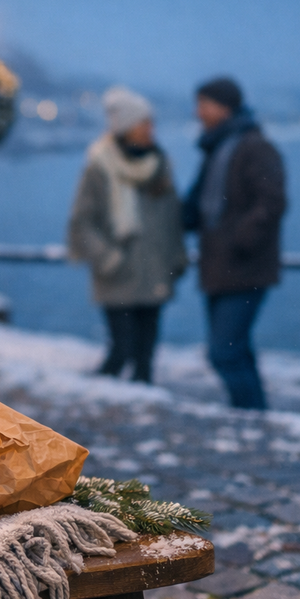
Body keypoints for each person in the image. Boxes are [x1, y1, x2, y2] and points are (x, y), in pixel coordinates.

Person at [68, 86, 187, 384]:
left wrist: (177, 258)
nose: (150, 129)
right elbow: (82, 221)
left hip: (155, 269)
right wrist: (107, 257)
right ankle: (99, 401)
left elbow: (173, 217)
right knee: (121, 350)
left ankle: (139, 404)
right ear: (126, 127)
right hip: (118, 273)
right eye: (143, 123)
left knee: (146, 357)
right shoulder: (100, 166)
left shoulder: (160, 164)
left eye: (151, 123)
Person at [182, 77, 287, 410]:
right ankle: (253, 414)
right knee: (236, 350)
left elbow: (273, 201)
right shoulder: (217, 147)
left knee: (223, 353)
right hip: (220, 268)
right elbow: (197, 206)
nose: (198, 112)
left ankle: (250, 412)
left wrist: (242, 237)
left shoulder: (254, 147)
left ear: (223, 106)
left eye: (203, 104)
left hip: (244, 267)